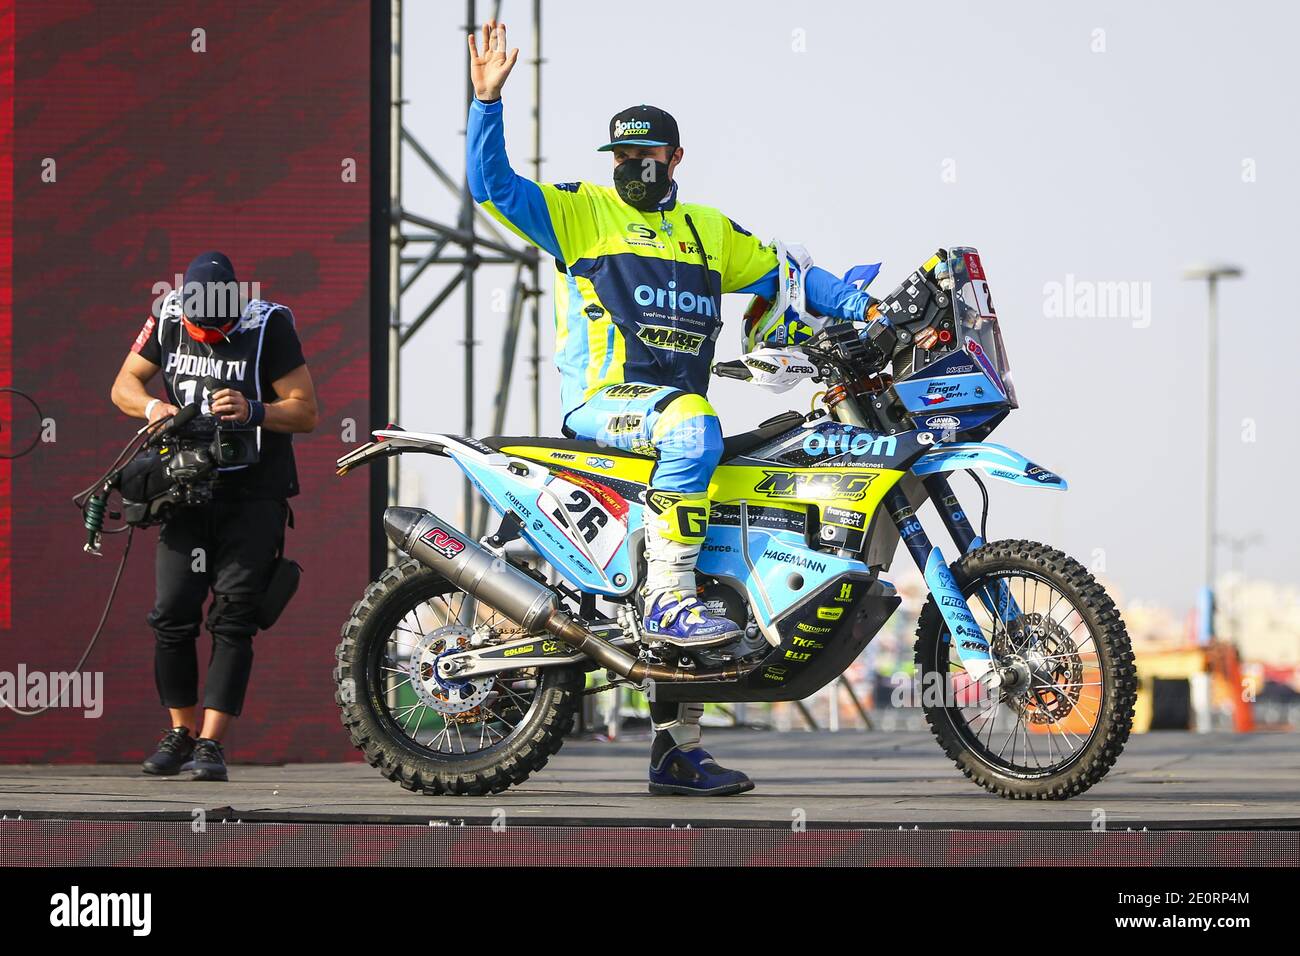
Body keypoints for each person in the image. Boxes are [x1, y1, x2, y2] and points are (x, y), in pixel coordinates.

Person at [466, 21, 884, 796]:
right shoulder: (579, 210)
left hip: (672, 425)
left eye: (644, 156)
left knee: (718, 547)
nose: (631, 167)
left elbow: (791, 278)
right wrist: (486, 101)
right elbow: (492, 188)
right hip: (607, 409)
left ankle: (676, 752)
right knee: (695, 427)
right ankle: (664, 598)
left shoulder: (707, 231)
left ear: (673, 159)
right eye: (620, 156)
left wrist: (869, 310)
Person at [110, 252, 319, 781]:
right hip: (186, 490)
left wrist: (256, 409)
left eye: (220, 328)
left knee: (233, 618)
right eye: (202, 329)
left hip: (253, 495)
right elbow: (124, 386)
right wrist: (154, 409)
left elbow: (307, 410)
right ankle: (180, 732)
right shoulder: (169, 313)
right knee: (172, 614)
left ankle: (211, 744)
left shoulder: (269, 324)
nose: (210, 336)